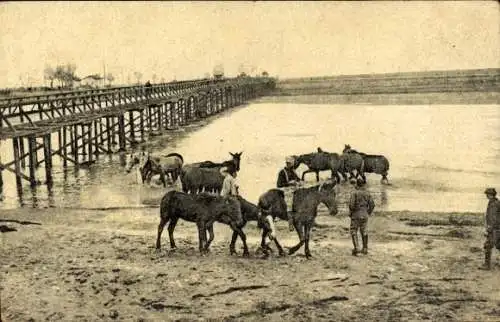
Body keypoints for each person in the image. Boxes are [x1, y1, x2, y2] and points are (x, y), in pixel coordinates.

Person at [348, 178, 375, 256]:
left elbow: (351, 205)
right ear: (363, 184)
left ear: (357, 184)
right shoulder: (367, 193)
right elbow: (372, 205)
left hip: (356, 214)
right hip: (365, 214)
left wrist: (351, 213)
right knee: (364, 231)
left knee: (353, 230)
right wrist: (368, 212)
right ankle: (365, 248)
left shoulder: (354, 193)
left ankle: (357, 248)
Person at [276, 156, 301, 231]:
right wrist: (289, 183)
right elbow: (279, 184)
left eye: (291, 164)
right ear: (287, 163)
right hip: (286, 190)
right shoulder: (282, 172)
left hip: (294, 189)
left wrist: (299, 182)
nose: (290, 165)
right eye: (289, 163)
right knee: (289, 203)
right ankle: (290, 223)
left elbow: (298, 179)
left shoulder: (293, 171)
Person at [480, 187, 500, 270]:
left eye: (487, 194)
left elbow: (493, 217)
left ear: (491, 195)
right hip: (498, 228)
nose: (486, 196)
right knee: (499, 245)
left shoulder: (493, 204)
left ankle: (487, 265)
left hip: (494, 229)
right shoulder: (496, 202)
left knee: (488, 246)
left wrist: (489, 228)